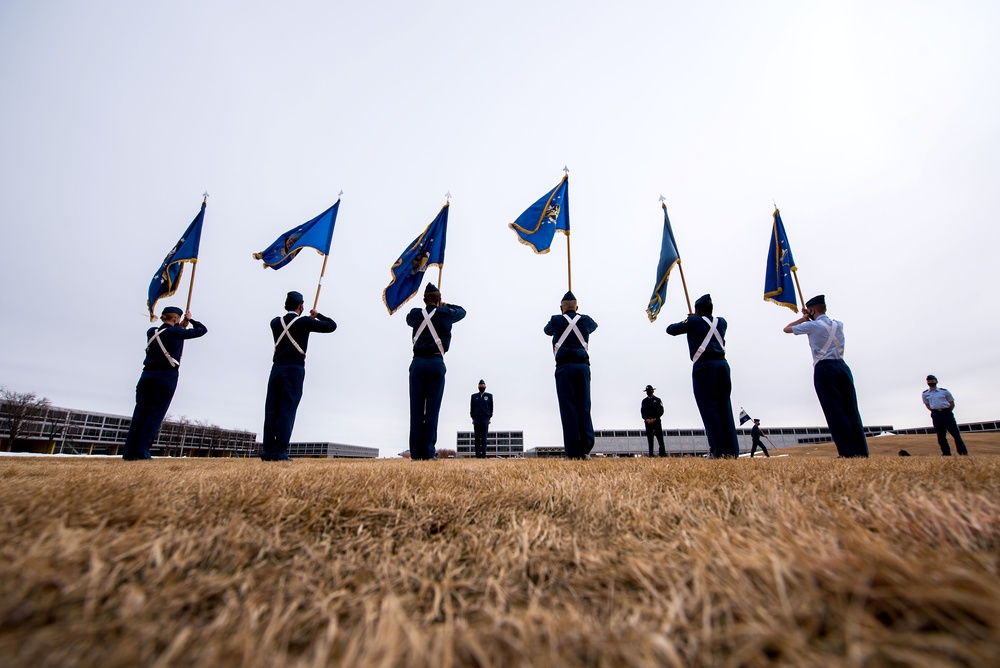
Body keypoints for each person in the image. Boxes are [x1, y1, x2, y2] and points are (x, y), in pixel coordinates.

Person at [784, 295, 868, 458]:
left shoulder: (812, 326)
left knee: (834, 410)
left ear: (812, 310)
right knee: (851, 409)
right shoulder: (839, 324)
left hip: (824, 368)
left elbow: (786, 329)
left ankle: (847, 452)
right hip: (842, 367)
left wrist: (803, 319)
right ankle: (861, 451)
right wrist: (810, 317)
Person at [122, 306, 207, 460]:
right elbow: (202, 330)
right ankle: (141, 452)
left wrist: (182, 326)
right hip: (166, 375)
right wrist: (190, 320)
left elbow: (170, 335)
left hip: (147, 374)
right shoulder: (176, 332)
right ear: (176, 319)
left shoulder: (152, 332)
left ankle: (129, 452)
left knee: (140, 413)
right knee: (154, 414)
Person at [261, 291, 337, 461]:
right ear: (300, 306)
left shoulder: (275, 322)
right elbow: (331, 326)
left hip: (276, 369)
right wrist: (317, 316)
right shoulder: (304, 322)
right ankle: (279, 451)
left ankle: (267, 451)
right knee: (287, 410)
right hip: (294, 369)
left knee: (271, 410)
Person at [666, 294, 739, 458]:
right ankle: (731, 451)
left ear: (697, 310)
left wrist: (690, 320)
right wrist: (696, 319)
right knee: (724, 407)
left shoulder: (693, 321)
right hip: (723, 365)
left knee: (709, 408)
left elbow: (670, 329)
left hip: (704, 367)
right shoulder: (722, 322)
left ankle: (718, 451)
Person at [406, 283, 466, 460]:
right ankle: (428, 452)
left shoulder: (415, 314)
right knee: (432, 410)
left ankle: (416, 454)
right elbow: (462, 311)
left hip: (417, 363)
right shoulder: (445, 313)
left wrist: (436, 306)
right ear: (438, 299)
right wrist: (444, 306)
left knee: (416, 410)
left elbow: (409, 320)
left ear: (424, 300)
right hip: (435, 363)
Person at [544, 291, 598, 459]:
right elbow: (594, 326)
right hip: (582, 367)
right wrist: (577, 316)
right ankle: (585, 449)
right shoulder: (586, 320)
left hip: (564, 367)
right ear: (577, 307)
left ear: (561, 308)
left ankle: (572, 452)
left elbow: (547, 331)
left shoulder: (556, 320)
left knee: (568, 409)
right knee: (584, 407)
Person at [922, 374, 969, 456]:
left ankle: (963, 452)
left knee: (955, 433)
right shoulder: (925, 394)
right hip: (936, 414)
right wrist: (935, 411)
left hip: (946, 413)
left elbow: (951, 403)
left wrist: (947, 411)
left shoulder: (944, 391)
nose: (931, 382)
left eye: (932, 381)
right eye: (929, 381)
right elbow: (927, 404)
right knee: (940, 435)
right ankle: (946, 453)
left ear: (936, 381)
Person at [470, 379, 493, 458]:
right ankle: (478, 456)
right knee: (477, 438)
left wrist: (489, 417)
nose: (481, 386)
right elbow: (472, 408)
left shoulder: (489, 396)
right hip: (476, 419)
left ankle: (483, 456)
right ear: (478, 386)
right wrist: (472, 418)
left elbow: (491, 408)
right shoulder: (474, 396)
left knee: (484, 438)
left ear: (485, 386)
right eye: (480, 385)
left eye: (483, 385)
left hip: (485, 419)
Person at [641, 384, 666, 457]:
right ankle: (651, 454)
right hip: (648, 423)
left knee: (660, 438)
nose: (649, 392)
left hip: (656, 421)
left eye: (650, 390)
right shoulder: (644, 401)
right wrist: (646, 419)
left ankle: (662, 454)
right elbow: (642, 412)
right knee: (650, 439)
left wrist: (655, 418)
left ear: (653, 391)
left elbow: (661, 410)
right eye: (647, 391)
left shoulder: (657, 400)